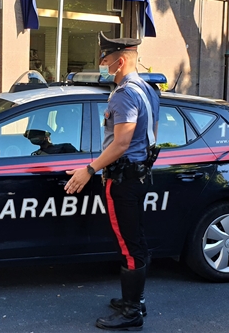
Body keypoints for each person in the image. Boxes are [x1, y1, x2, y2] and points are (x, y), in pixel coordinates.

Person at [64, 32, 160, 331]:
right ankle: (135, 299)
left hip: (122, 178)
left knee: (128, 244)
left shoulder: (125, 94)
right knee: (136, 240)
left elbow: (121, 143)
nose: (101, 65)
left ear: (119, 62)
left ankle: (132, 311)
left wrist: (88, 170)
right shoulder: (147, 89)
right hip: (139, 174)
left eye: (104, 60)